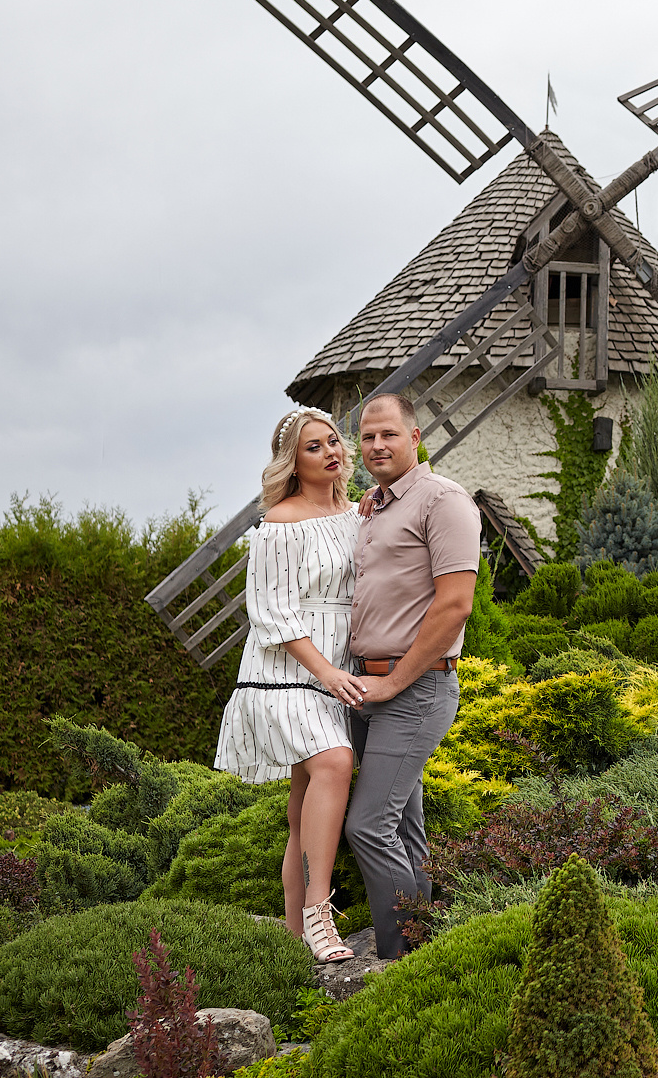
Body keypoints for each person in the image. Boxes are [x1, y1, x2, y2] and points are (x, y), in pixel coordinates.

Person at [212, 407, 370, 965]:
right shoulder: (279, 524)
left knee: (303, 803)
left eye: (332, 441)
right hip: (287, 671)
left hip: (343, 667)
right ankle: (320, 918)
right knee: (333, 762)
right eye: (312, 447)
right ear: (292, 463)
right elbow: (272, 615)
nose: (330, 451)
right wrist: (325, 671)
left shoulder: (358, 514)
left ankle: (291, 935)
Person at [346, 391, 479, 960]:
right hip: (365, 689)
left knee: (368, 826)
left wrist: (394, 682)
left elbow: (455, 606)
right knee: (400, 827)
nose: (377, 445)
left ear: (416, 437)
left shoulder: (442, 501)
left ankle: (401, 959)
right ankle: (430, 949)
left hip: (414, 689)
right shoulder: (372, 508)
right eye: (368, 437)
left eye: (389, 435)